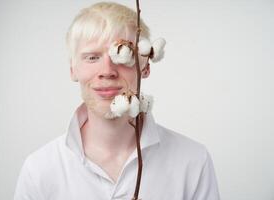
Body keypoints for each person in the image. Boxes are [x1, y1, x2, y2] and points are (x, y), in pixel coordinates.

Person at [14, 2, 220, 200]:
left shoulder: (193, 161)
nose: (107, 72)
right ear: (72, 70)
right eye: (92, 58)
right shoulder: (39, 169)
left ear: (146, 66)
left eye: (124, 56)